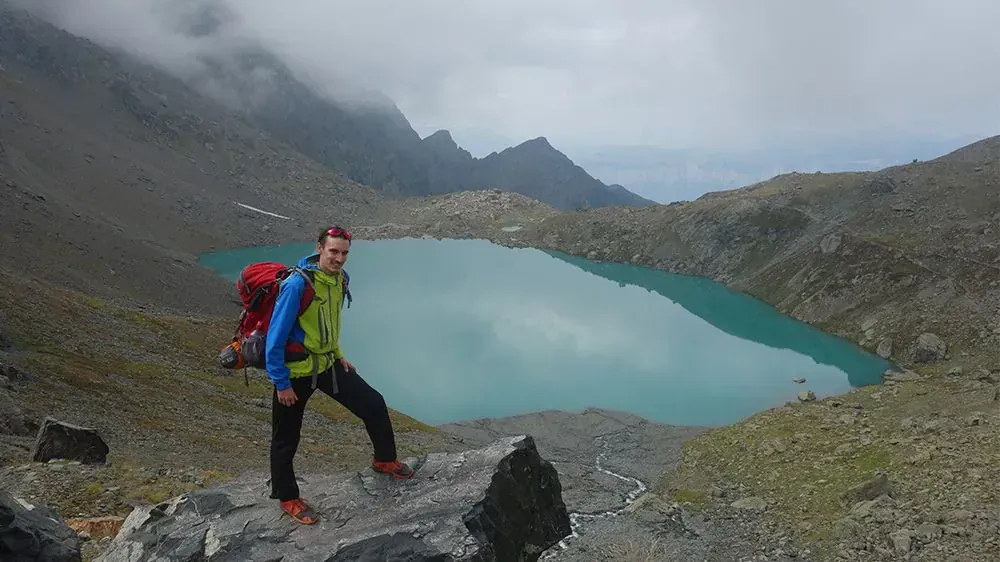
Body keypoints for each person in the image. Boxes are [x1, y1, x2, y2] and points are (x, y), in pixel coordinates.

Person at [265, 225, 414, 525]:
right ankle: (287, 497)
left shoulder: (338, 279)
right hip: (295, 372)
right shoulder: (298, 284)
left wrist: (338, 355)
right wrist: (281, 383)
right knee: (286, 437)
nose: (339, 258)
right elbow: (274, 338)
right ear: (319, 248)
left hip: (327, 365)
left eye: (344, 253)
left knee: (373, 403)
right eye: (333, 251)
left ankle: (384, 459)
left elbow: (328, 324)